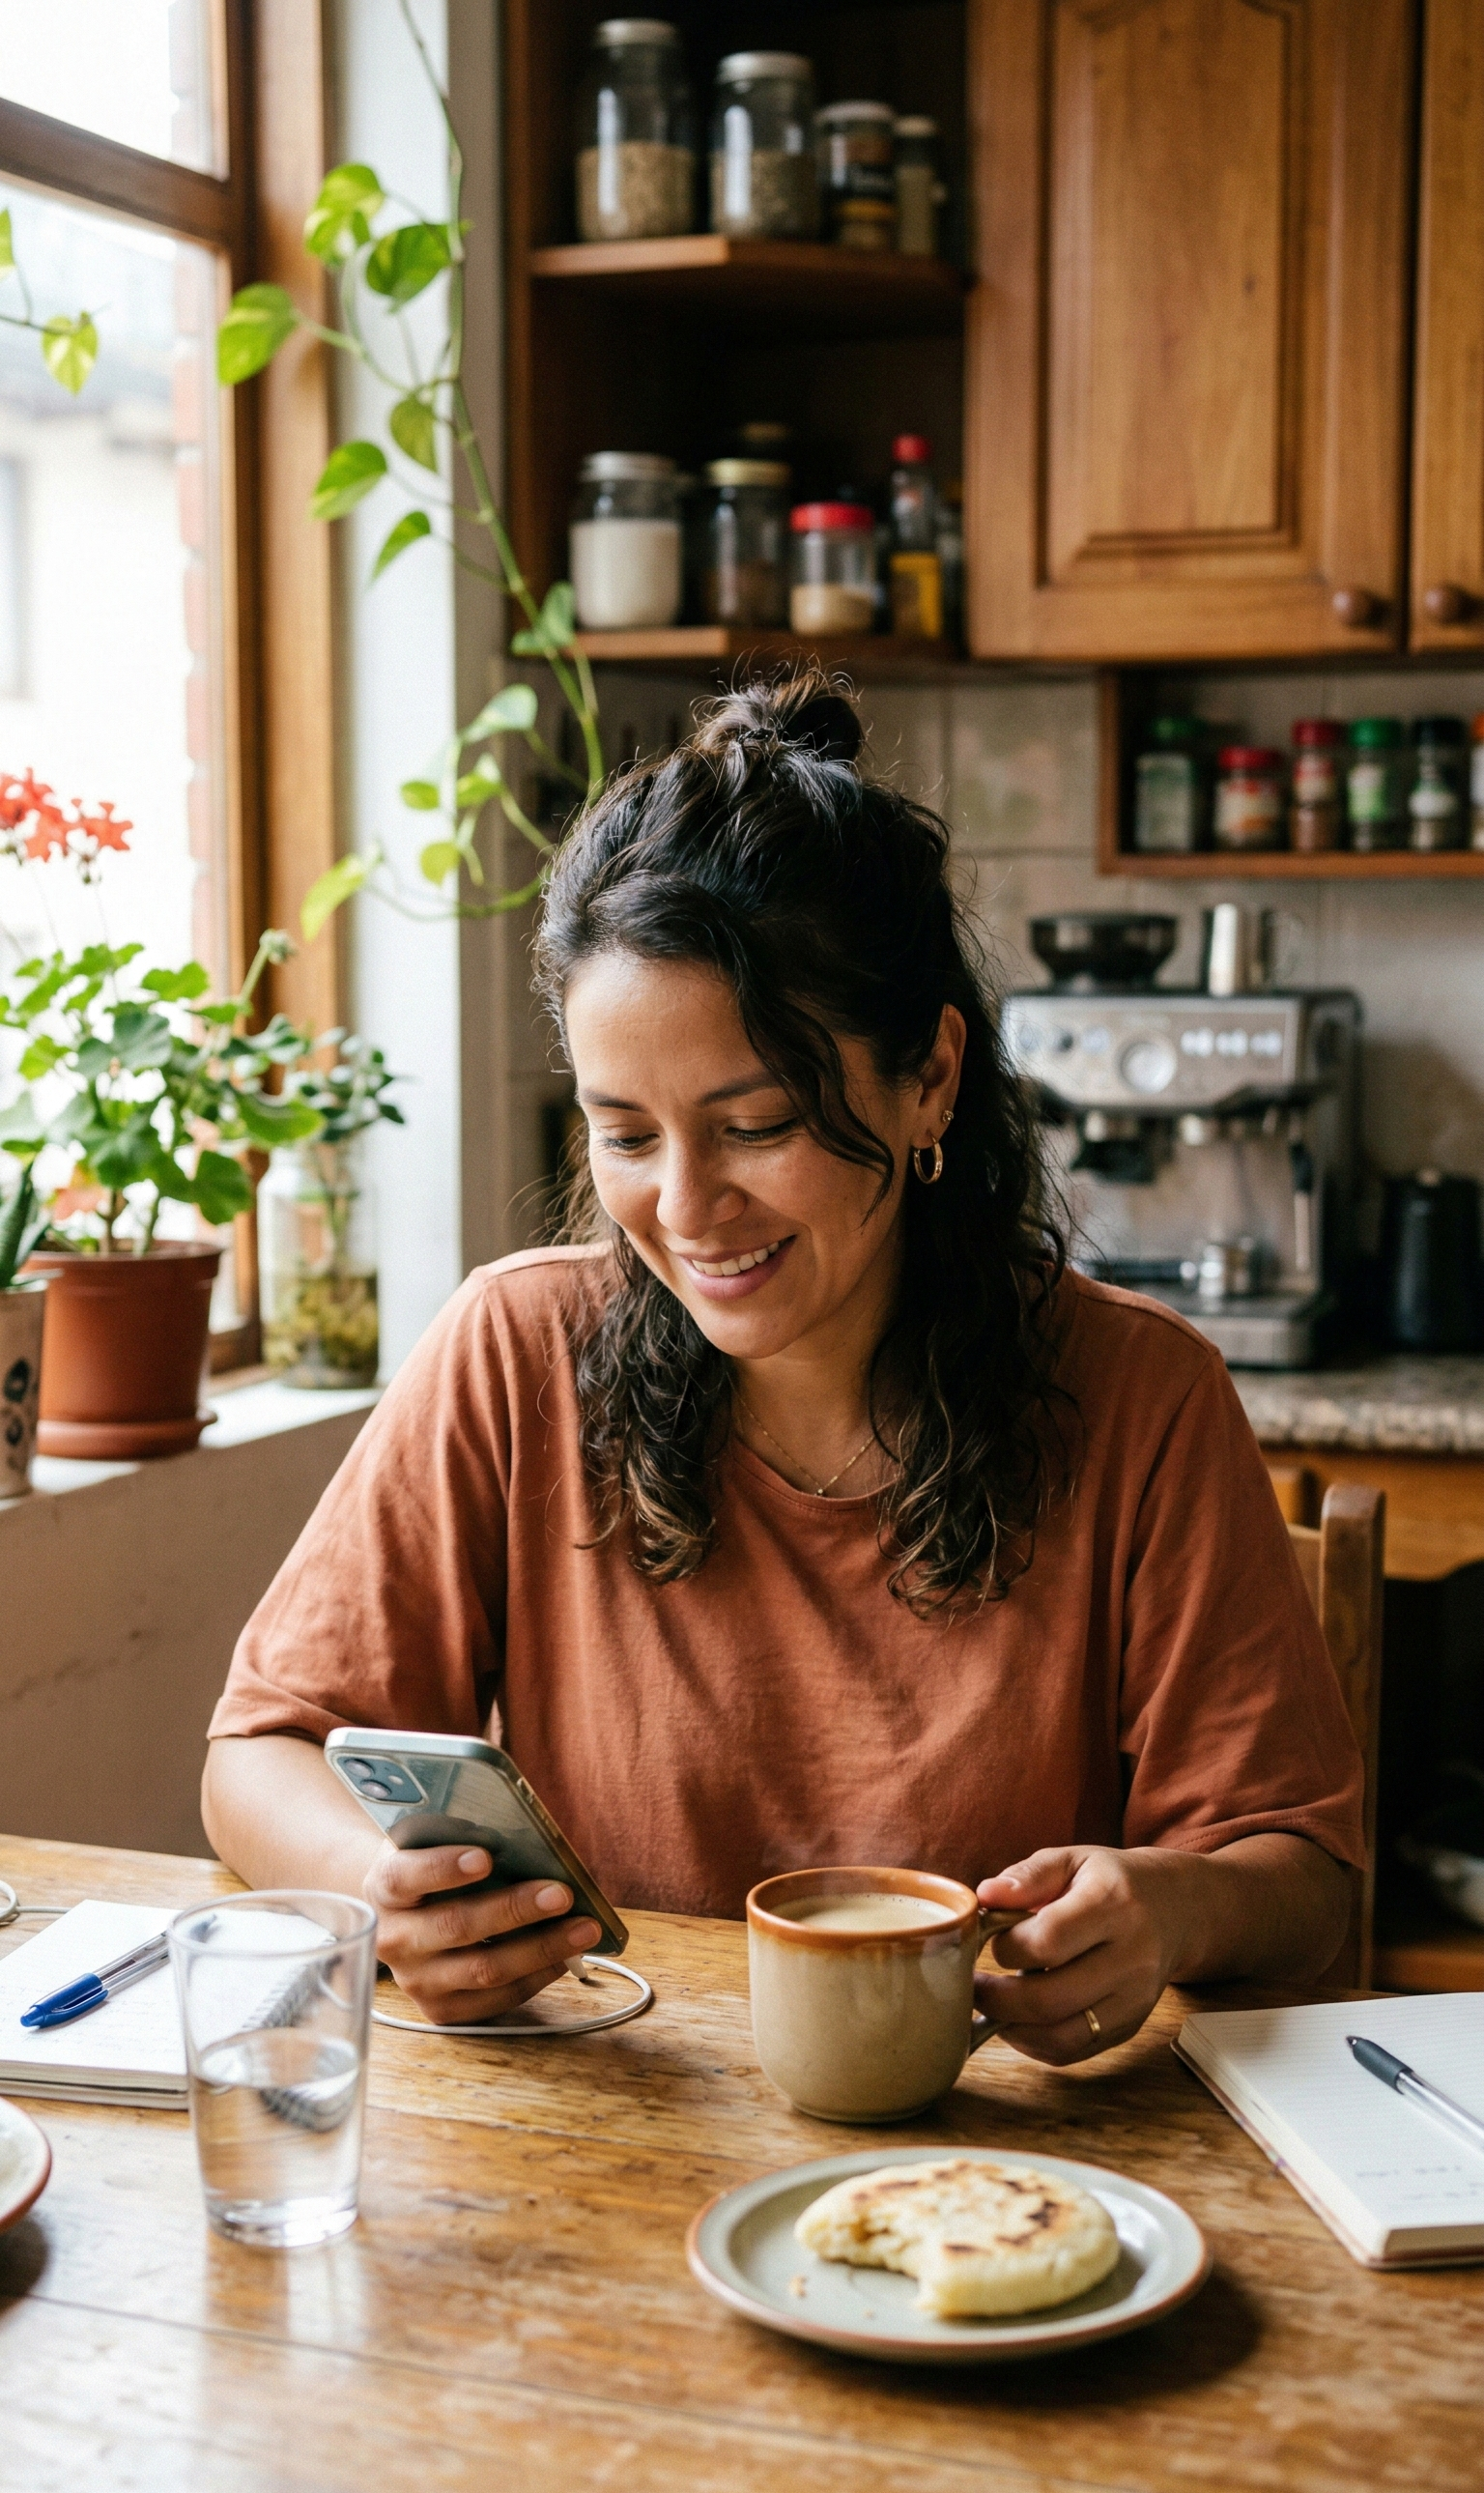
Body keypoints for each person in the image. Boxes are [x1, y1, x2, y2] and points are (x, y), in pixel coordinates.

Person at [204, 671, 1364, 2063]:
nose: (687, 1209)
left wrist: (1170, 1909)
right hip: (612, 2135)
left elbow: (1300, 1885)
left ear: (931, 1075)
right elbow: (258, 1755)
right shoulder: (515, 1352)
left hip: (1001, 2172)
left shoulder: (1143, 1399)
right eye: (625, 1134)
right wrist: (379, 1893)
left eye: (755, 1123)